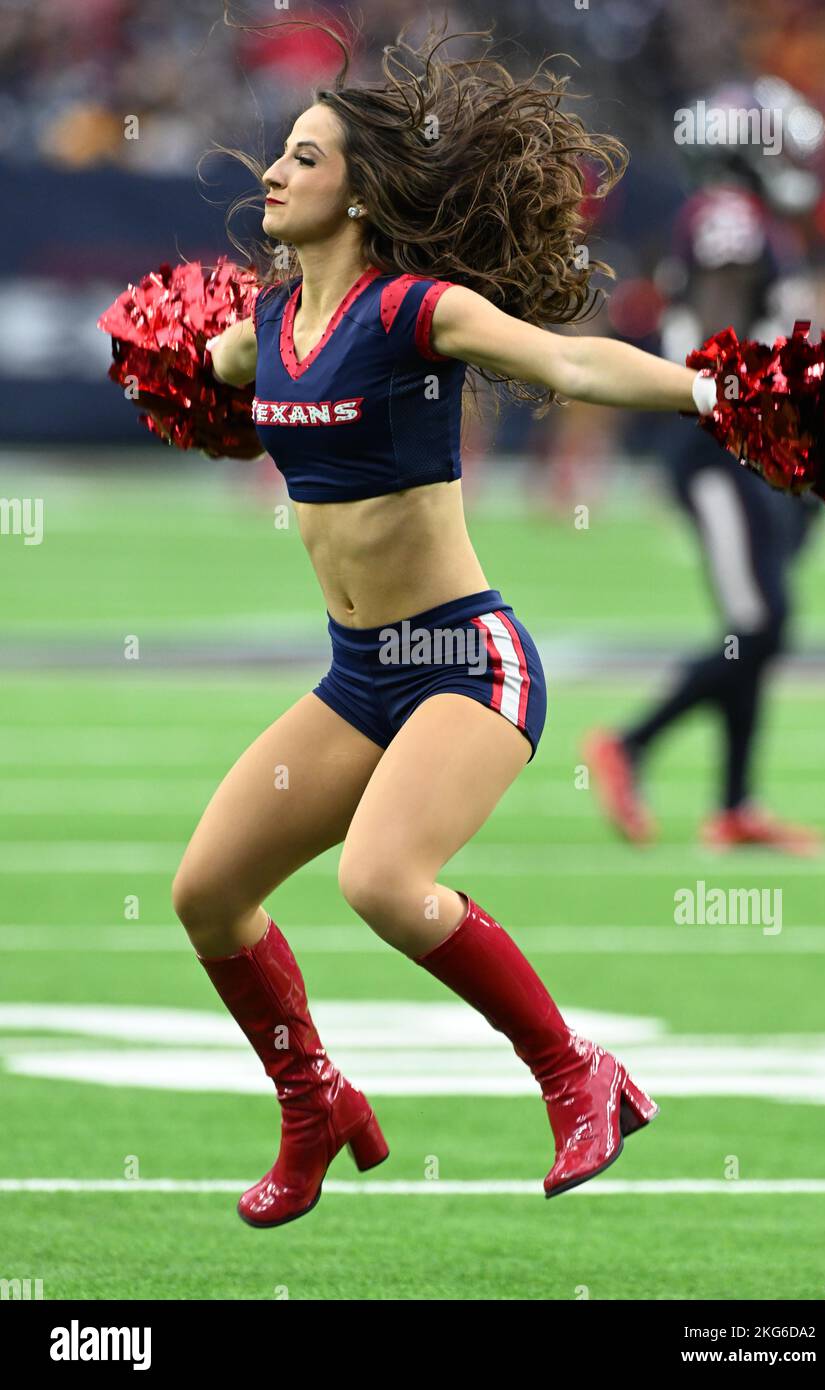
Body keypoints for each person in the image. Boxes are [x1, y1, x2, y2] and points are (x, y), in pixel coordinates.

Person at [172, 20, 712, 1229]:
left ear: (358, 194)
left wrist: (711, 388)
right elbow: (190, 368)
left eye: (304, 160)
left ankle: (578, 1072)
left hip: (465, 663)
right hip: (357, 675)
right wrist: (154, 357)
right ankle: (315, 1104)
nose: (274, 173)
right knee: (207, 893)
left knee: (380, 877)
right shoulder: (261, 334)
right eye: (281, 155)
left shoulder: (416, 310)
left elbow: (570, 367)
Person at [585, 83, 823, 852]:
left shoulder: (750, 218)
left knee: (758, 622)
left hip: (753, 447)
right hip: (722, 447)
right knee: (760, 621)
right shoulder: (729, 213)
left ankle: (735, 805)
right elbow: (721, 338)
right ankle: (632, 744)